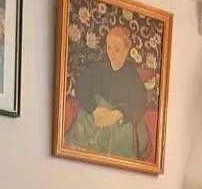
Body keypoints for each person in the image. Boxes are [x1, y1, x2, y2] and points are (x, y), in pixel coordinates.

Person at [64, 23, 152, 160]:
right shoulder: (98, 68)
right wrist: (94, 109)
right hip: (95, 113)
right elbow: (82, 87)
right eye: (109, 47)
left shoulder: (131, 74)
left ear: (127, 50)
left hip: (120, 119)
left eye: (117, 49)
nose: (111, 53)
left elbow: (139, 100)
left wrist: (117, 114)